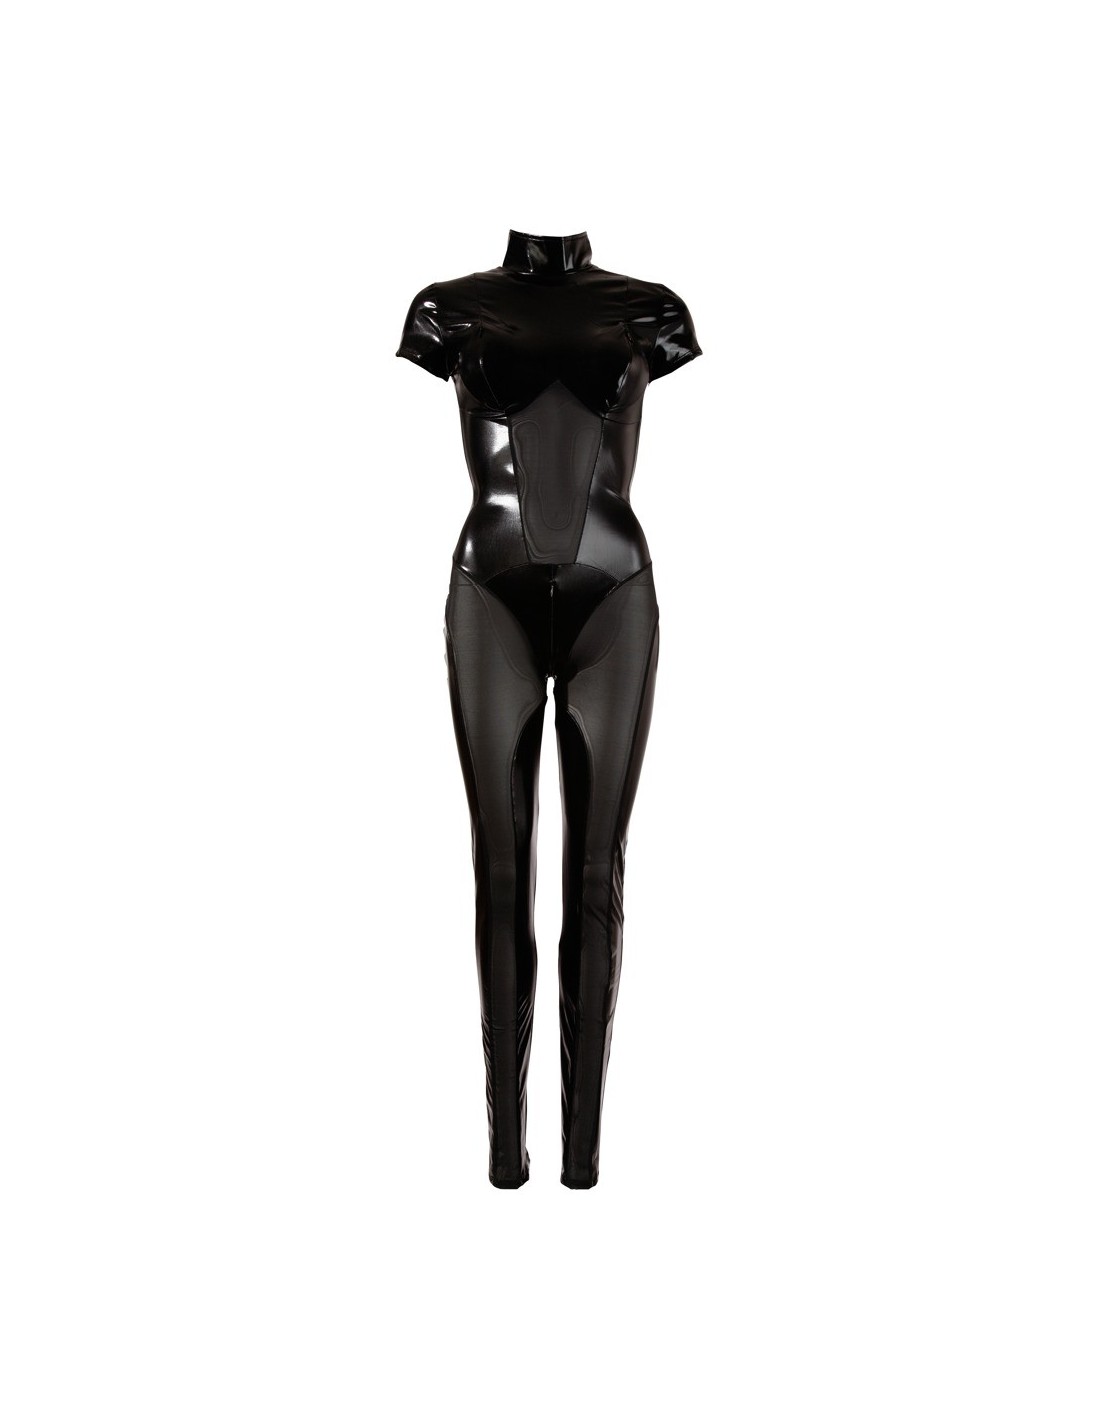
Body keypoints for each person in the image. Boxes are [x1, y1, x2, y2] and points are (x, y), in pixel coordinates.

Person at [396, 229, 702, 1188]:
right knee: (499, 871)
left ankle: (582, 1160)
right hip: (490, 594)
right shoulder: (447, 306)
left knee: (596, 875)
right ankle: (502, 1156)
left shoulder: (651, 307)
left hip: (618, 596)